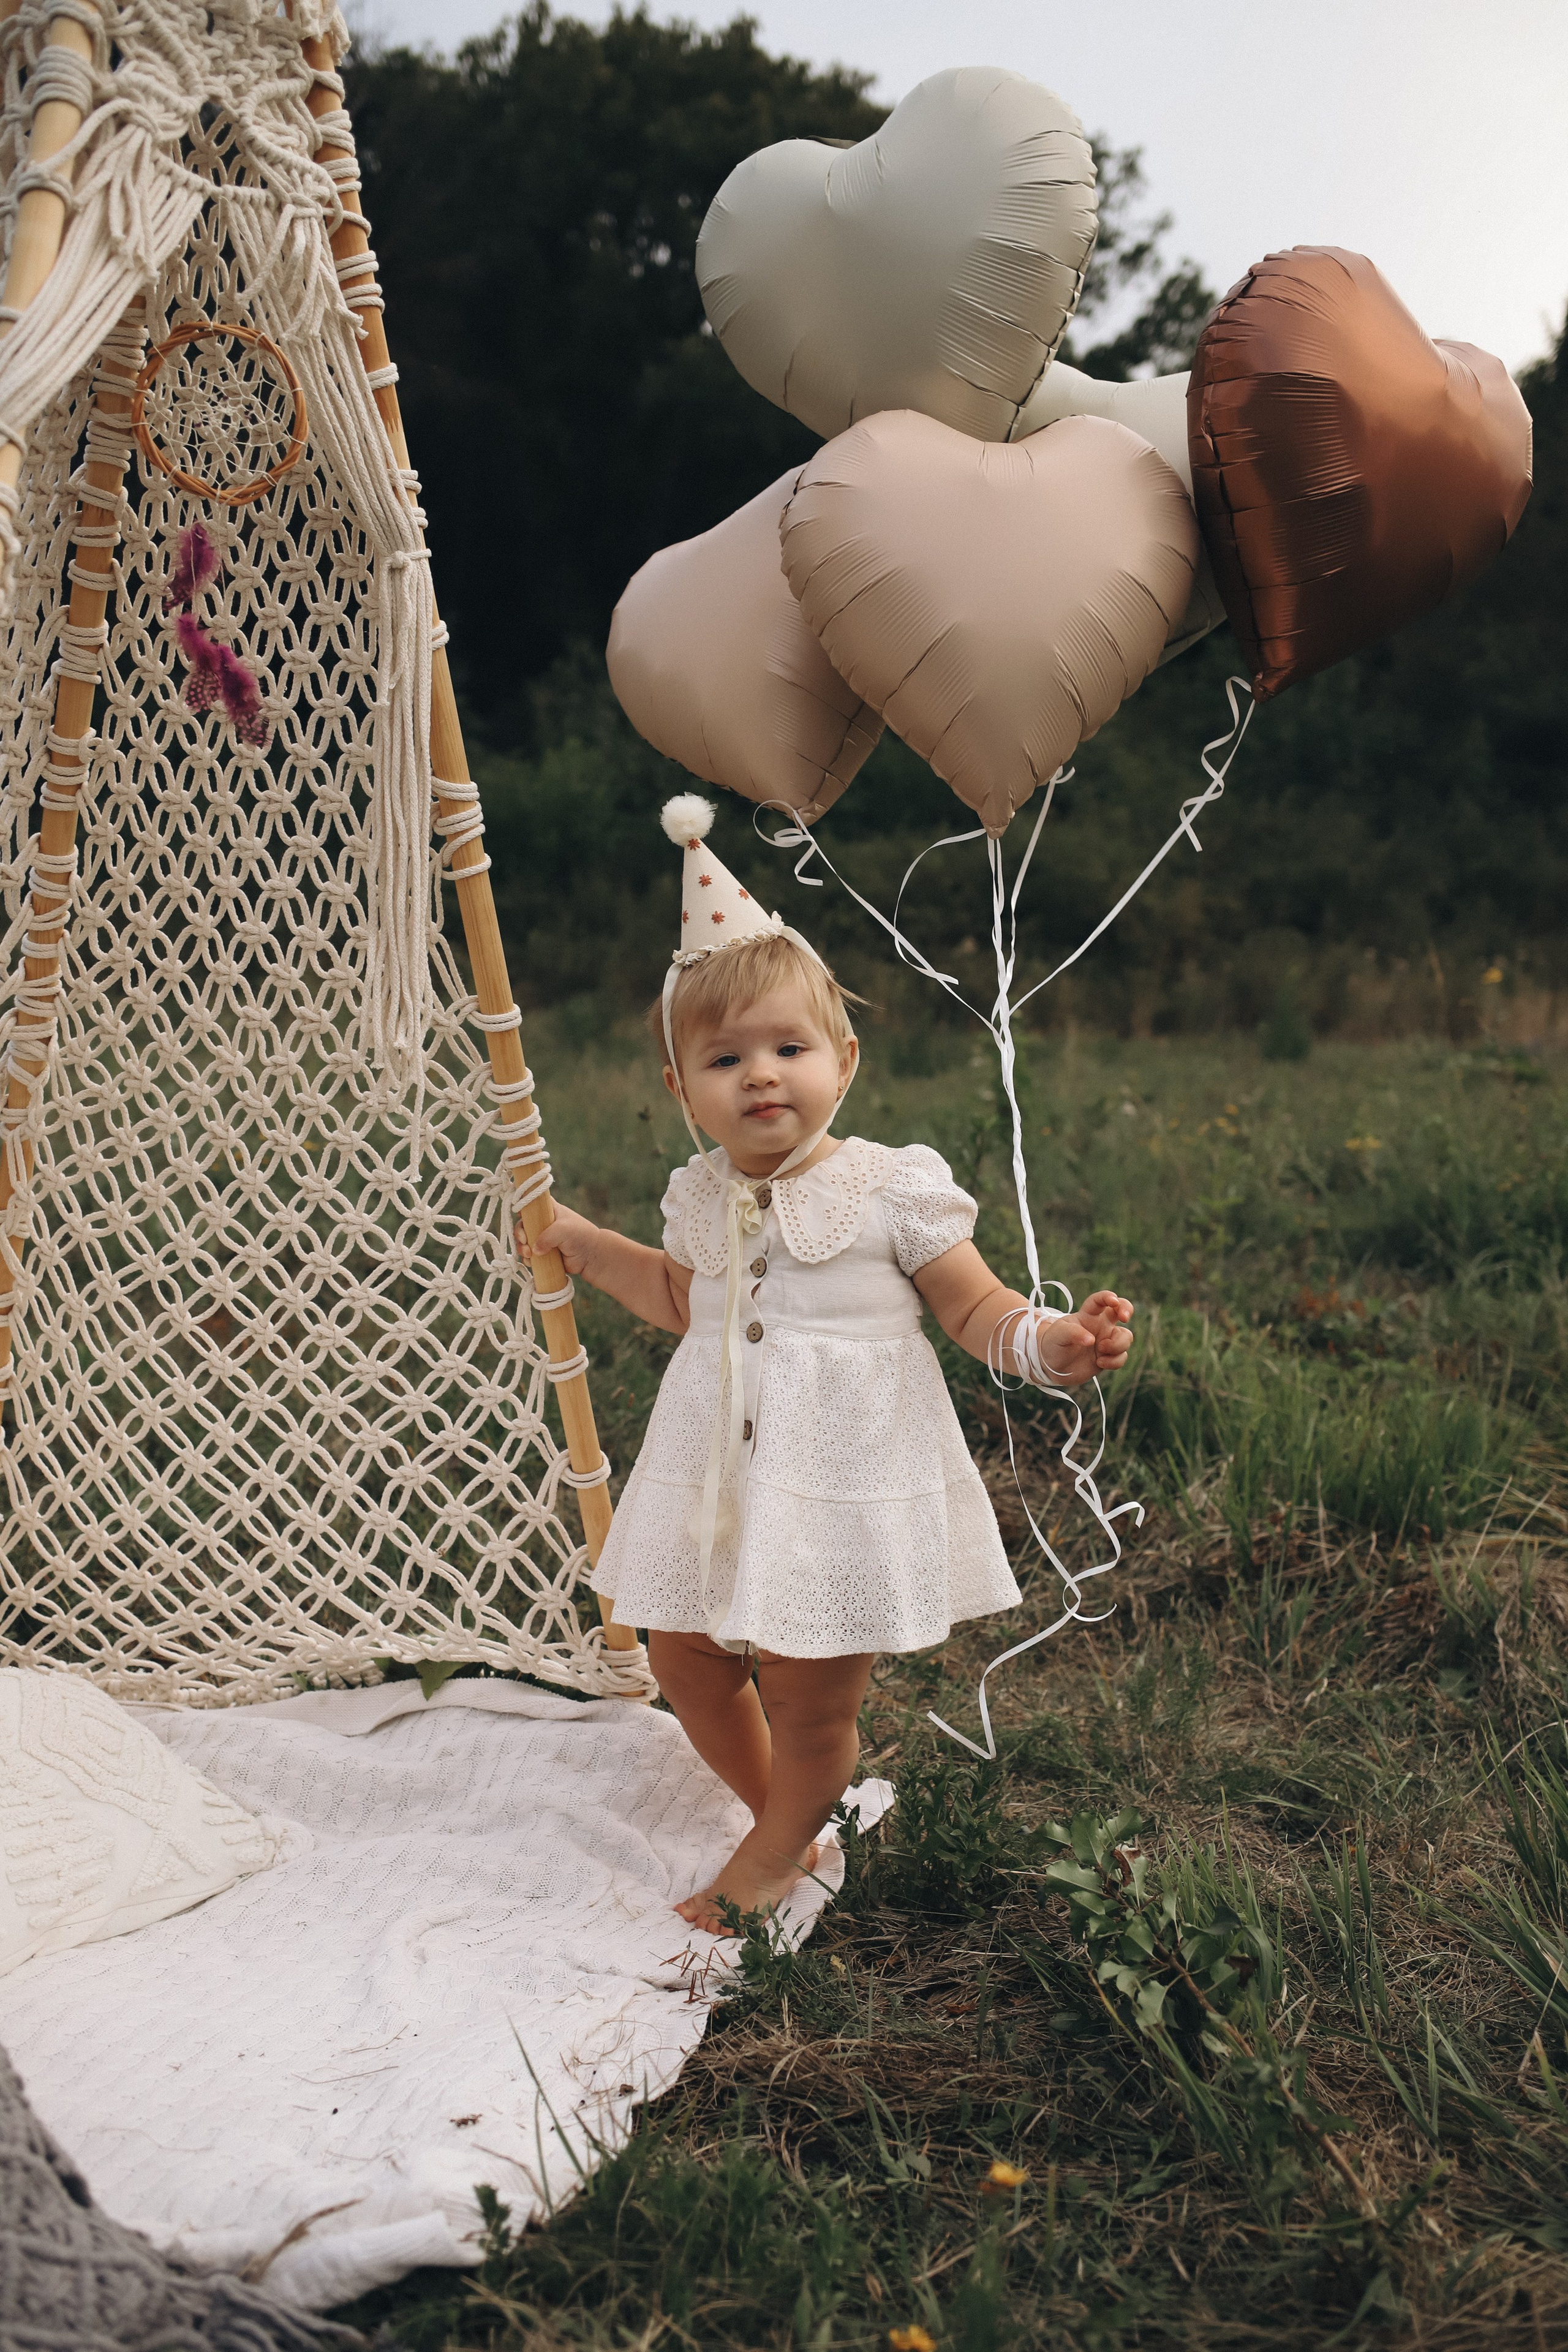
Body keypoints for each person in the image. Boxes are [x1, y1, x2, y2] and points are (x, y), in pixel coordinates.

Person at [522, 796, 1133, 1934]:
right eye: (725, 1058)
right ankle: (793, 1819)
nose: (761, 1076)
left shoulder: (890, 1185)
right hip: (718, 1483)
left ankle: (771, 1852)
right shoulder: (700, 1193)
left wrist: (1053, 1345)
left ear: (842, 1062)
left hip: (837, 1484)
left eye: (788, 1049)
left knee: (808, 1691)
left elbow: (976, 1307)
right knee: (686, 1657)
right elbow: (675, 1296)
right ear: (681, 1088)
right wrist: (585, 1241)